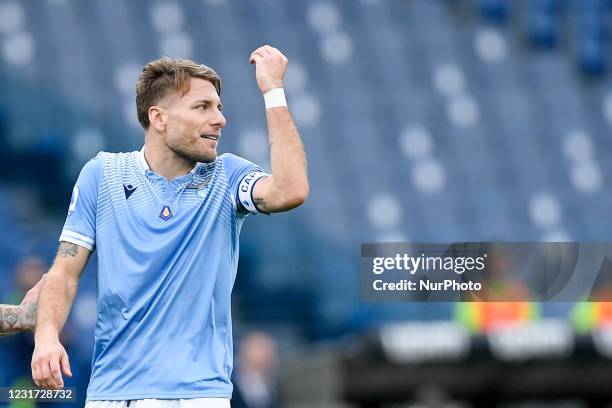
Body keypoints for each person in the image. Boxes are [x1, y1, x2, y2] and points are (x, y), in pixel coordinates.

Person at [31, 45, 308, 408]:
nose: (220, 119)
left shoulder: (227, 176)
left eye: (219, 108)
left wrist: (273, 92)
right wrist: (47, 337)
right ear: (159, 118)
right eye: (202, 107)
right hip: (111, 396)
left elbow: (290, 190)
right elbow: (64, 272)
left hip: (198, 396)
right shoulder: (103, 175)